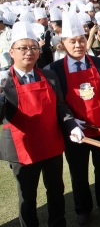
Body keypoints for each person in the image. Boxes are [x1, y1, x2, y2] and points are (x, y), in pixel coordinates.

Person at [0, 22, 84, 227]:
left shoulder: (49, 75)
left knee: (56, 189)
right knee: (27, 196)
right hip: (23, 148)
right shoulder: (4, 80)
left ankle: (58, 223)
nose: (29, 52)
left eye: (33, 48)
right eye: (23, 48)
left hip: (51, 143)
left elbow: (60, 107)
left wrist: (71, 125)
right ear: (12, 51)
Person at [45, 12, 100, 226]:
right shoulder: (55, 69)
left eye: (81, 40)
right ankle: (82, 208)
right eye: (72, 41)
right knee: (78, 171)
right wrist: (69, 123)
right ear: (63, 44)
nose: (78, 45)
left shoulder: (97, 62)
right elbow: (57, 103)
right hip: (75, 130)